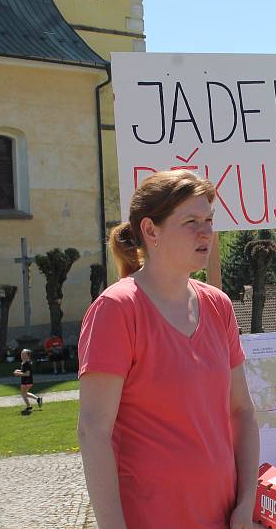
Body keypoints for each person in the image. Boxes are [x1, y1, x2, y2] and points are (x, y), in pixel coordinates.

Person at [77, 170, 260, 529]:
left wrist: (246, 502)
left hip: (223, 517)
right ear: (151, 230)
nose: (206, 232)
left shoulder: (218, 305)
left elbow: (242, 412)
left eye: (209, 220)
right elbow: (93, 432)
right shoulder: (116, 310)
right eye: (191, 222)